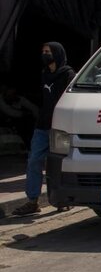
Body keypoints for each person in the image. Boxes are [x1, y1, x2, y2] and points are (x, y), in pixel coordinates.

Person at [12, 42, 75, 217]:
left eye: (48, 52)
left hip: (60, 127)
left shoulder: (68, 75)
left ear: (57, 53)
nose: (45, 55)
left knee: (58, 163)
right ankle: (32, 201)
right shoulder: (44, 75)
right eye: (43, 52)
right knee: (34, 161)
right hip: (42, 126)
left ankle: (62, 199)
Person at [0, 85, 38, 149]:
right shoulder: (1, 100)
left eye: (13, 94)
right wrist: (25, 113)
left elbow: (34, 108)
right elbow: (10, 112)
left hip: (19, 125)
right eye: (9, 95)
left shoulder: (19, 99)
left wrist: (36, 119)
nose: (11, 97)